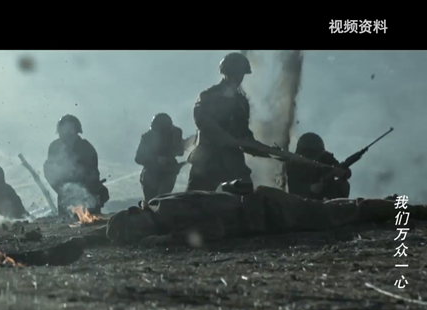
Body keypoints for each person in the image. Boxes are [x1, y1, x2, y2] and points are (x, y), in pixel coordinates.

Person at [105, 180, 425, 247]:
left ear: (135, 212)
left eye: (133, 229)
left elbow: (213, 228)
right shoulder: (160, 203)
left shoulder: (165, 213)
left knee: (338, 214)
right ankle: (393, 205)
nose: (139, 235)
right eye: (133, 238)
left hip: (267, 211)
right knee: (331, 210)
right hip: (262, 206)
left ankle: (405, 209)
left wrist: (166, 240)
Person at [186, 52, 272, 192]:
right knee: (194, 198)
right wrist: (224, 137)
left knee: (245, 192)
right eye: (234, 73)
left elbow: (244, 131)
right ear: (225, 73)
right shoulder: (208, 95)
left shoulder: (242, 102)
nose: (238, 78)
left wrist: (259, 148)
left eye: (240, 74)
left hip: (232, 158)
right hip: (208, 157)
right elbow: (202, 120)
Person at [43, 114, 110, 215]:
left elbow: (93, 175)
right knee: (66, 223)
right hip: (65, 199)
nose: (66, 137)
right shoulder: (55, 148)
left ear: (76, 132)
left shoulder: (86, 149)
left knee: (89, 220)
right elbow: (50, 171)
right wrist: (62, 190)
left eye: (69, 132)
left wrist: (82, 191)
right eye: (63, 133)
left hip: (87, 197)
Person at [135, 113, 186, 203]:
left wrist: (169, 157)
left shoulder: (175, 134)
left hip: (168, 173)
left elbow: (180, 151)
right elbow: (138, 158)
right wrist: (156, 159)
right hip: (151, 174)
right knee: (150, 202)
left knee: (162, 200)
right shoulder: (148, 137)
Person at [286, 132, 351, 200]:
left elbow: (346, 171)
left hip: (326, 193)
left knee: (344, 184)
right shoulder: (293, 164)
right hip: (304, 199)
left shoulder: (325, 157)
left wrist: (342, 173)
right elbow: (290, 186)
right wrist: (309, 188)